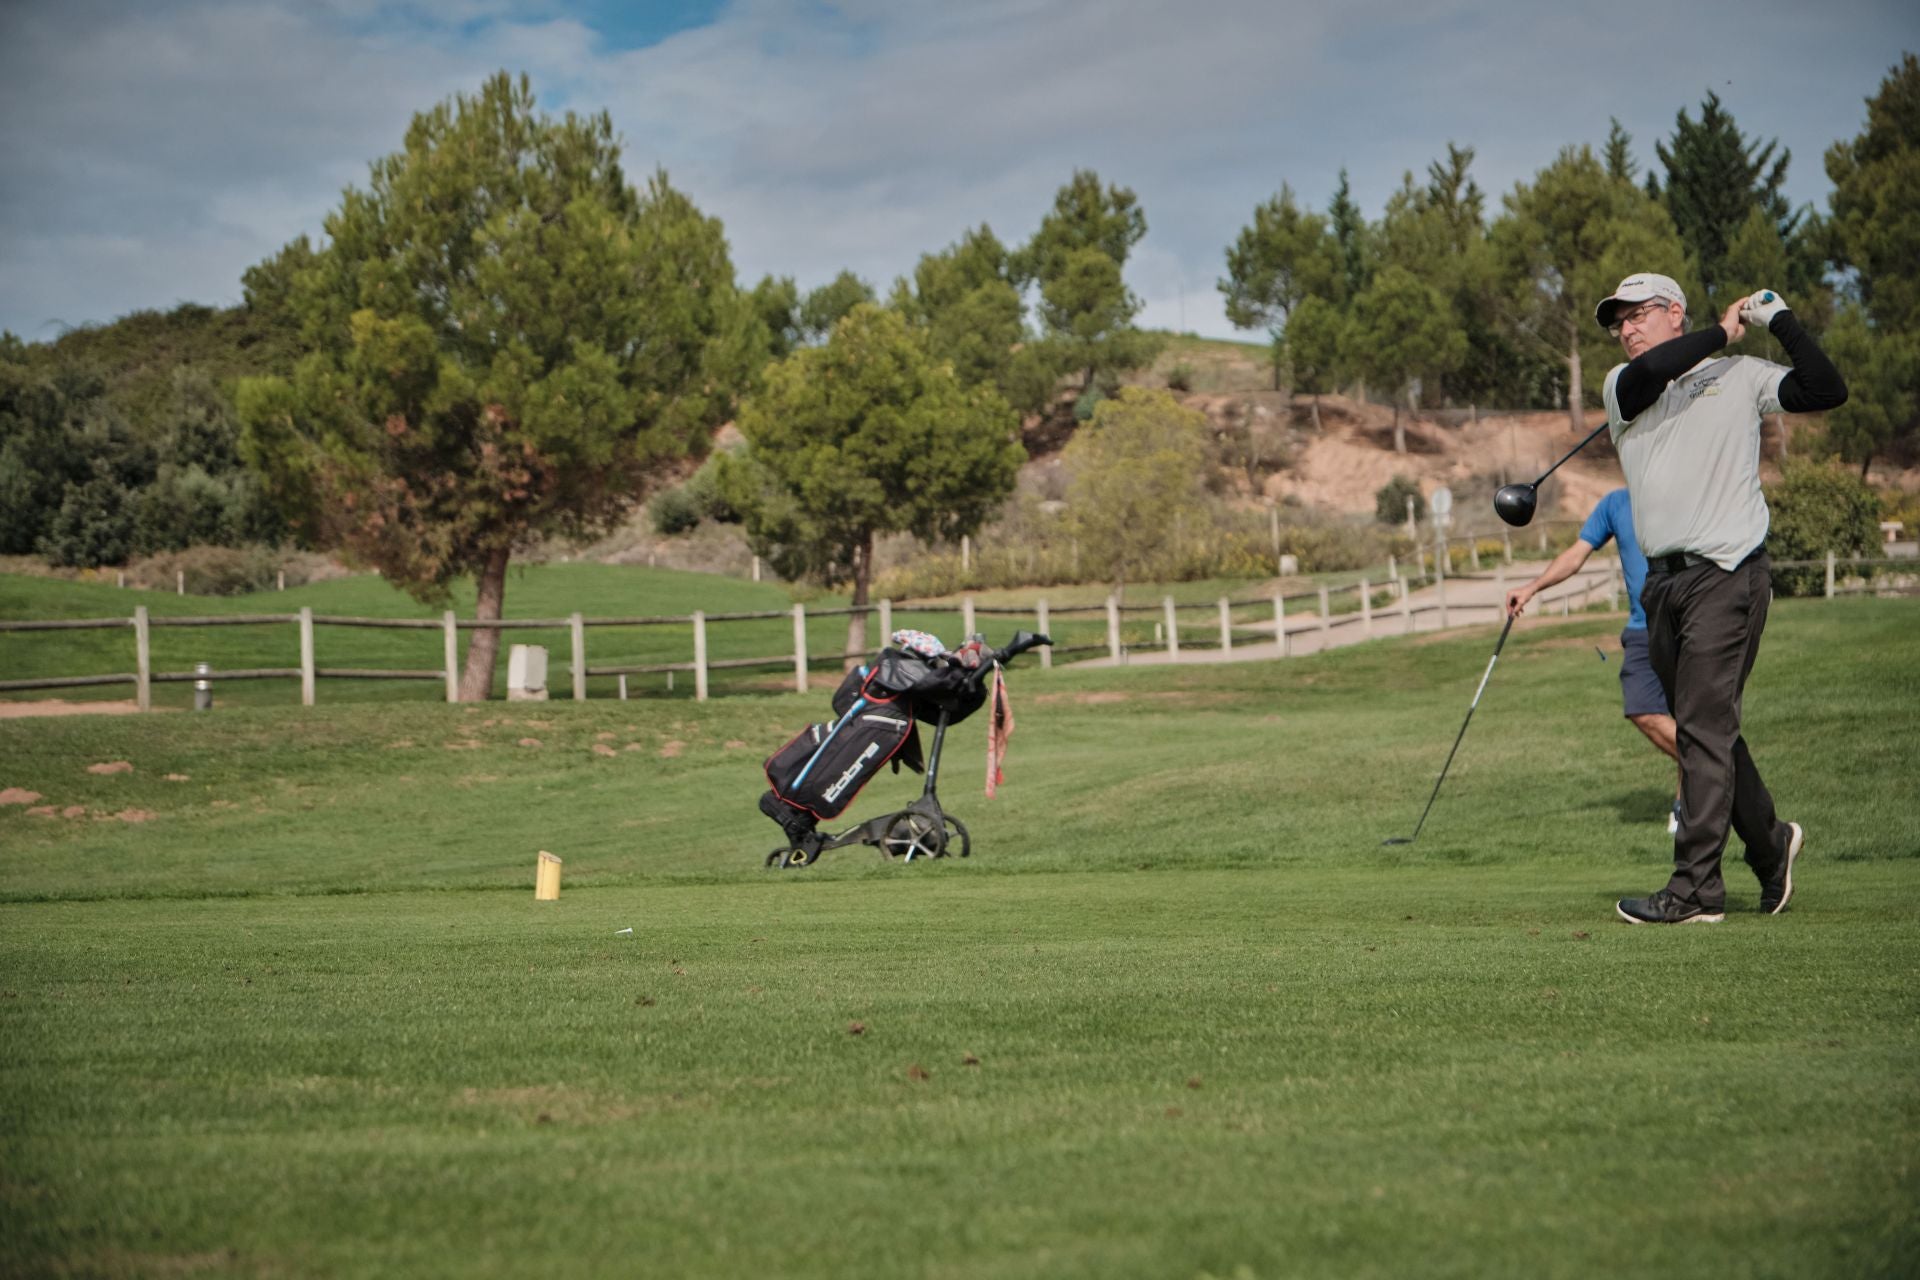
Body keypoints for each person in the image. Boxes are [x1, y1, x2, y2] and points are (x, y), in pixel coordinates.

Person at [1593, 273, 1846, 924]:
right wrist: (1722, 329)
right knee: (1709, 732)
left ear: (1674, 312)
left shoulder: (1740, 376)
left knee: (1703, 729)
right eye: (1618, 320)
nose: (1626, 327)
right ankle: (1772, 846)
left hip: (1728, 573)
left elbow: (1826, 388)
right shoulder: (1624, 388)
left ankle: (1695, 891)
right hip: (1663, 584)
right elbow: (1654, 369)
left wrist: (1780, 320)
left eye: (1638, 314)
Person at [1505, 488, 1680, 833]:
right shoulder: (1615, 503)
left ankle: (1686, 804)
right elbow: (1575, 556)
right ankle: (1713, 769)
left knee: (1690, 715)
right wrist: (1532, 588)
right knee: (1641, 708)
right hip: (1641, 626)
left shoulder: (1676, 486)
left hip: (1685, 622)